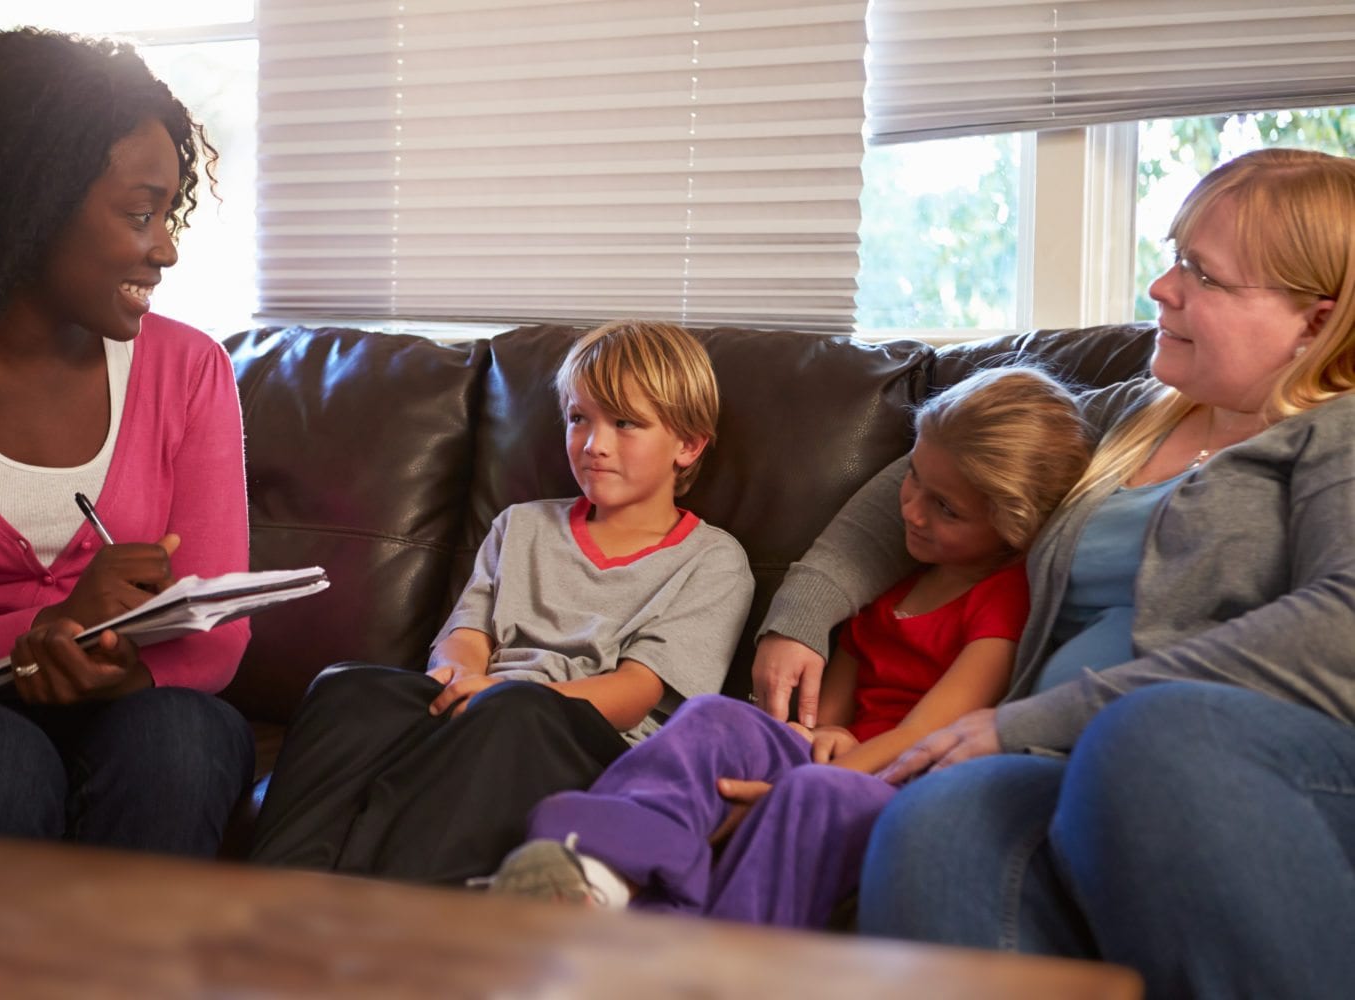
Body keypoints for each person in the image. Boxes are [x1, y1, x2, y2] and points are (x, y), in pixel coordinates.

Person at [763, 149, 1355, 997]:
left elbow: (1343, 627)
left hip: (1236, 766)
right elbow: (942, 462)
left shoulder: (1337, 436)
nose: (1162, 287)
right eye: (1173, 255)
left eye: (1203, 274)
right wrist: (801, 612)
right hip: (1056, 756)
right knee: (936, 822)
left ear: (1312, 320)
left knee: (1148, 735)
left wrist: (1032, 720)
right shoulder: (1135, 414)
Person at [482, 368, 1091, 928]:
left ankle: (724, 957)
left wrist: (796, 785)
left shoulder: (1004, 600)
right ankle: (600, 872)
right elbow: (825, 720)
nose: (910, 509)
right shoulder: (891, 587)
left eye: (946, 508)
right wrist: (821, 737)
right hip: (848, 761)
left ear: (1017, 527)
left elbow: (925, 737)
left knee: (814, 793)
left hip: (911, 782)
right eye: (912, 478)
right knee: (714, 717)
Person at [0, 28, 254, 856]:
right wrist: (40, 631)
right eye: (140, 214)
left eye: (167, 213)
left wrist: (117, 667)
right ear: (24, 205)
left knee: (179, 737)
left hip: (121, 711)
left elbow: (219, 630)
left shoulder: (191, 371)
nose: (166, 247)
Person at [249, 319, 754, 884]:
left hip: (593, 742)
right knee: (348, 688)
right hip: (485, 709)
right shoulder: (522, 525)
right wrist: (456, 677)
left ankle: (396, 911)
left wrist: (502, 695)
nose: (595, 445)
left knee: (515, 711)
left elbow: (636, 693)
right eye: (579, 418)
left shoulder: (712, 560)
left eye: (626, 423)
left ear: (688, 444)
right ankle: (277, 896)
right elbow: (467, 632)